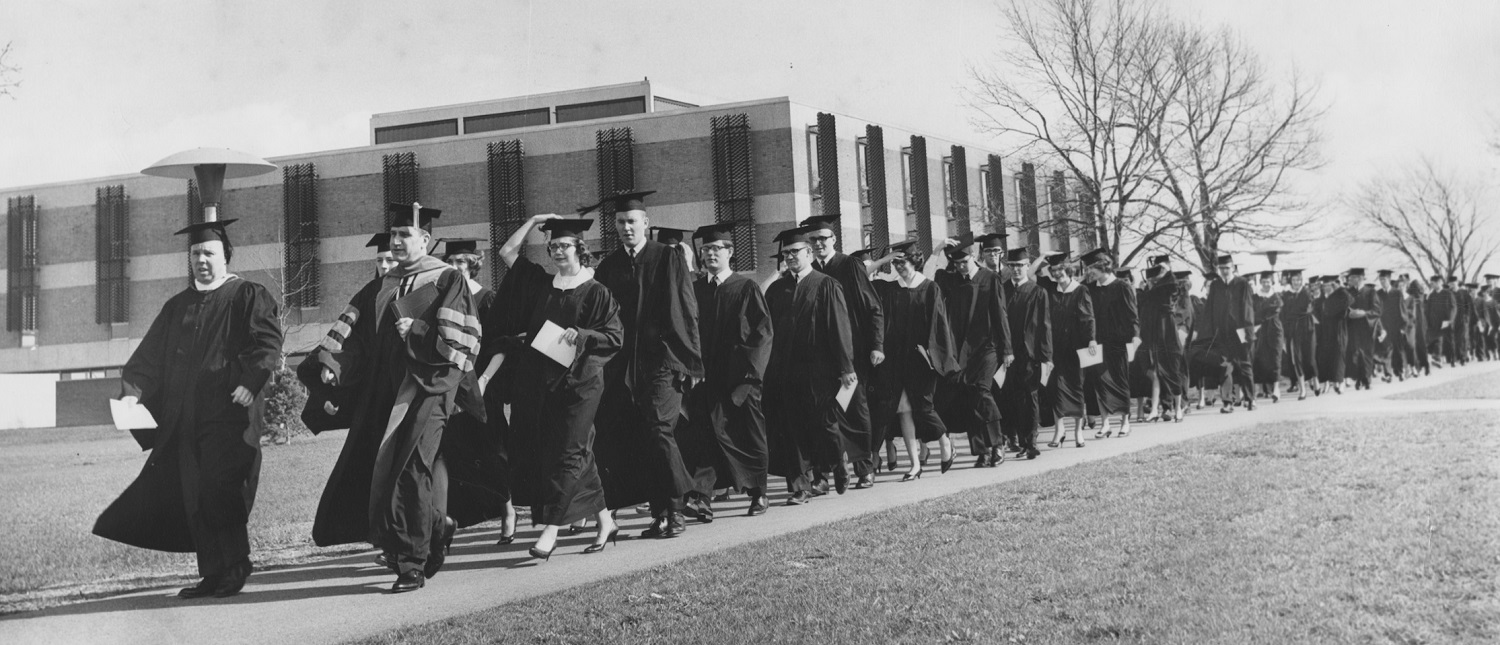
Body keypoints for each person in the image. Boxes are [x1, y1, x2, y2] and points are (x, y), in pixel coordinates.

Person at [93, 219, 283, 599]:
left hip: (229, 414)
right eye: (195, 253)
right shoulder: (177, 305)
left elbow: (267, 344)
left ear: (225, 256)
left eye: (209, 253)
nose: (202, 260)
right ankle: (212, 572)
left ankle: (235, 565)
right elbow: (147, 358)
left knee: (219, 489)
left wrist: (250, 381)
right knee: (193, 494)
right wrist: (132, 393)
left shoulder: (248, 295)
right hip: (184, 418)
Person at [302, 203, 480, 592]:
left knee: (412, 467)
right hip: (384, 391)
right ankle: (435, 526)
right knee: (385, 468)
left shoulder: (448, 279)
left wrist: (416, 330)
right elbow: (354, 339)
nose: (397, 242)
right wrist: (334, 364)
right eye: (394, 235)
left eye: (405, 235)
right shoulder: (379, 285)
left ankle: (411, 564)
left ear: (426, 240)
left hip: (428, 386)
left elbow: (463, 344)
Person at [494, 214, 624, 560]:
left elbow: (614, 337)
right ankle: (604, 520)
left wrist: (581, 335)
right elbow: (507, 251)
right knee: (573, 451)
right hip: (545, 383)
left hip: (582, 385)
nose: (557, 251)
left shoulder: (596, 291)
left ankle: (550, 532)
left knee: (567, 452)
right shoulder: (543, 284)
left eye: (565, 245)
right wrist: (534, 219)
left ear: (580, 248)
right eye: (552, 246)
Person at [589, 191, 704, 539]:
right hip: (624, 367)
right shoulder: (608, 266)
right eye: (621, 222)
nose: (627, 228)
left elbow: (685, 308)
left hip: (662, 361)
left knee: (660, 430)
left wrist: (690, 362)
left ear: (646, 224)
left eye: (632, 222)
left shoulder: (666, 257)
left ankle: (677, 506)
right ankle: (660, 513)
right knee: (641, 437)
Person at [679, 223, 774, 517]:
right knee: (704, 437)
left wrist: (749, 376)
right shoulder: (694, 290)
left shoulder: (745, 287)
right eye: (705, 249)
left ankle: (758, 493)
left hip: (739, 380)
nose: (709, 254)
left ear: (730, 252)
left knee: (748, 435)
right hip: (705, 379)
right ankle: (702, 497)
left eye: (716, 249)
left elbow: (762, 334)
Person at [764, 226, 856, 505]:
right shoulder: (777, 289)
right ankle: (800, 486)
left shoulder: (826, 284)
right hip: (786, 371)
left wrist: (846, 367)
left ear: (808, 253)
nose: (791, 257)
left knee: (825, 425)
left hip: (820, 370)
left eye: (796, 252)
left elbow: (840, 328)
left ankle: (837, 463)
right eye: (787, 253)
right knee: (792, 427)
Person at [439, 238, 515, 544]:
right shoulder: (443, 300)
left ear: (473, 264)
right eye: (451, 261)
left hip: (482, 385)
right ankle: (454, 519)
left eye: (461, 261)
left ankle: (508, 511)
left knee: (491, 450)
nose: (456, 267)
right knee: (456, 452)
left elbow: (501, 345)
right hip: (450, 386)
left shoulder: (485, 298)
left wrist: (484, 380)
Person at [800, 215, 885, 490]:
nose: (818, 243)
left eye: (823, 239)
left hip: (852, 351)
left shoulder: (849, 265)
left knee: (855, 409)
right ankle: (823, 474)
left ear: (833, 239)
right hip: (818, 355)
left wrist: (876, 345)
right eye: (813, 240)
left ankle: (864, 468)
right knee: (820, 415)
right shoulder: (808, 269)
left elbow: (873, 306)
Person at [866, 240, 958, 480]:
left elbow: (940, 326)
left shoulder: (929, 288)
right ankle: (915, 464)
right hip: (896, 359)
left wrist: (936, 357)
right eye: (895, 263)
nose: (899, 267)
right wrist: (884, 260)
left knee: (924, 407)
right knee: (903, 409)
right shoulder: (888, 289)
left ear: (915, 261)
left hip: (922, 359)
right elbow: (860, 276)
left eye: (903, 261)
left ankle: (945, 441)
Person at [931, 233, 1013, 467]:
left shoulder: (990, 279)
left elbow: (1000, 315)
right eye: (956, 264)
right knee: (968, 397)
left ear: (974, 257)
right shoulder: (952, 280)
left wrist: (1007, 349)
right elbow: (933, 278)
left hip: (986, 347)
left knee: (982, 391)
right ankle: (982, 450)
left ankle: (997, 443)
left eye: (964, 263)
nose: (960, 268)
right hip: (960, 350)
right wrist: (937, 250)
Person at [1036, 254, 1096, 446]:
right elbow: (1030, 274)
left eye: (1060, 269)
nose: (1057, 273)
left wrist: (1092, 340)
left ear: (1068, 269)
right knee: (1055, 388)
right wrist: (1043, 257)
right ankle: (1059, 430)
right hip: (1054, 347)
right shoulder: (1050, 288)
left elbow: (1088, 318)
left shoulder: (1080, 290)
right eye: (1053, 271)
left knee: (1076, 387)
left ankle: (1078, 432)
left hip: (1075, 347)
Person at [1080, 248, 1139, 435]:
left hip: (1118, 342)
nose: (1089, 272)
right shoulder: (1089, 289)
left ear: (1103, 266)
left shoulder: (1122, 286)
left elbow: (1132, 316)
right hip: (1095, 342)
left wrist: (1134, 338)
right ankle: (1105, 423)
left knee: (1120, 381)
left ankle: (1124, 422)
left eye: (1092, 268)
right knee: (1099, 382)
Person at [1000, 247, 1051, 459]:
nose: (1016, 270)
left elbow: (1045, 326)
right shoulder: (1002, 290)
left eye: (1020, 266)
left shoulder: (1037, 291)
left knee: (1030, 398)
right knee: (1010, 398)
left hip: (1029, 354)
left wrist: (1047, 357)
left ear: (1027, 266)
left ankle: (1031, 443)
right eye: (1012, 266)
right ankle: (1017, 441)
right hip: (1006, 354)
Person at [1205, 254, 1255, 412]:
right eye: (1221, 268)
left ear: (1233, 267)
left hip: (1240, 331)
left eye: (1227, 268)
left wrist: (1247, 332)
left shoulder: (1242, 284)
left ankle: (1250, 399)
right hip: (1222, 333)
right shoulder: (1215, 286)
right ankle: (1227, 402)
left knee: (1245, 365)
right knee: (1224, 366)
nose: (1224, 271)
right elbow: (1210, 311)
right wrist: (1211, 333)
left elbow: (1247, 309)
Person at [1138, 262, 1183, 419]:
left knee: (1173, 370)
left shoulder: (1166, 290)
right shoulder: (1149, 294)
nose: (1151, 282)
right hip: (1154, 336)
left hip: (1168, 334)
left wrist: (1167, 271)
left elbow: (1172, 283)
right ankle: (1155, 410)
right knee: (1157, 372)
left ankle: (1178, 408)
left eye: (1154, 279)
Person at [1279, 269, 1317, 400]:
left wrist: (1295, 313)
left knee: (1310, 359)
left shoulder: (1306, 293)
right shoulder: (1286, 295)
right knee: (1297, 359)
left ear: (1302, 280)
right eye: (1294, 280)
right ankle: (1302, 390)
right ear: (1291, 281)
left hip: (1307, 329)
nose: (1296, 282)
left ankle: (1315, 380)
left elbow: (1308, 309)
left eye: (1298, 280)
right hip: (1293, 330)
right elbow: (1284, 315)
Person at [1345, 268, 1382, 390]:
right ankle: (1359, 378)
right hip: (1353, 328)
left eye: (1353, 277)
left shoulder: (1371, 292)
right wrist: (1349, 314)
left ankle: (1367, 380)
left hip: (1367, 327)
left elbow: (1377, 310)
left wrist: (1364, 313)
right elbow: (1343, 310)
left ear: (1360, 278)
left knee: (1366, 354)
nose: (1350, 279)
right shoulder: (1348, 292)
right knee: (1355, 353)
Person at [1251, 271, 1284, 401]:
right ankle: (1262, 389)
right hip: (1260, 331)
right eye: (1264, 282)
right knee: (1260, 359)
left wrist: (1259, 321)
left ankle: (1276, 389)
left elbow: (1271, 312)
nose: (1266, 284)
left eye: (1268, 282)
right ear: (1260, 283)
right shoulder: (1256, 297)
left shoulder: (1276, 297)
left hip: (1275, 330)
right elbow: (1253, 313)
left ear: (1272, 283)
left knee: (1275, 358)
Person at [1316, 276, 1352, 394]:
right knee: (1328, 356)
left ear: (1333, 285)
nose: (1326, 288)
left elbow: (1350, 299)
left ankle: (1340, 383)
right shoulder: (1322, 299)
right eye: (1324, 286)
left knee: (1339, 355)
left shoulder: (1340, 296)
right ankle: (1330, 382)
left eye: (1328, 285)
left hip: (1339, 329)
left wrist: (1341, 288)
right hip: (1325, 330)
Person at [1426, 276, 1457, 367]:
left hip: (1446, 322)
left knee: (1449, 341)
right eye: (1431, 283)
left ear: (1439, 282)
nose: (1432, 285)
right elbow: (1428, 309)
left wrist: (1449, 320)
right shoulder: (1431, 296)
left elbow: (1453, 307)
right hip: (1435, 323)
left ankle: (1452, 359)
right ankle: (1438, 359)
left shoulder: (1448, 294)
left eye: (1433, 283)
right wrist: (1428, 322)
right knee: (1437, 340)